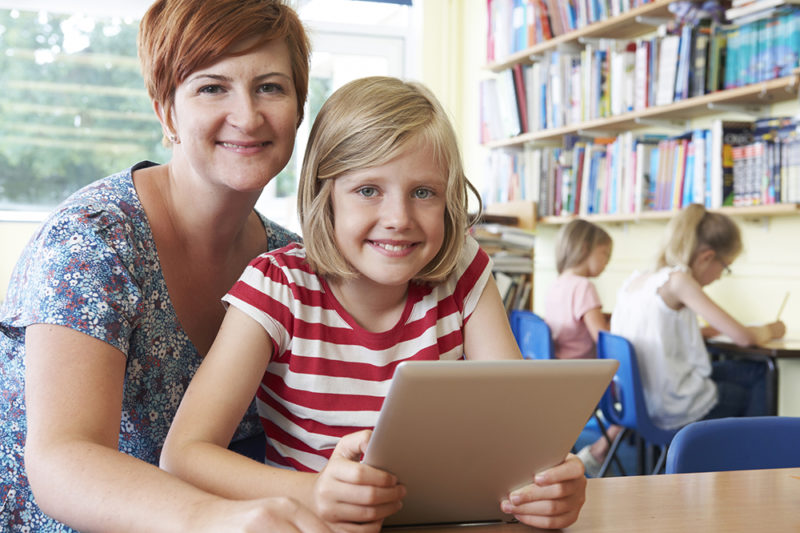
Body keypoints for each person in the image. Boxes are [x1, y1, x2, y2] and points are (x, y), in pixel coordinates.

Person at [161, 76, 588, 533]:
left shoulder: (462, 270)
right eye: (368, 190)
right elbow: (183, 455)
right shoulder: (277, 285)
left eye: (423, 192)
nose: (399, 219)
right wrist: (316, 491)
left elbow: (521, 435)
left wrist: (552, 485)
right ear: (325, 197)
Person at [0, 1, 333, 531]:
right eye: (211, 87)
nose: (247, 116)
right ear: (166, 110)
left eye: (270, 87)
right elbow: (62, 458)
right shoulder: (95, 239)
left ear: (299, 107)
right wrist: (218, 519)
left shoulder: (293, 264)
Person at [610, 203, 786, 430]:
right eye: (725, 267)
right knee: (761, 374)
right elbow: (744, 338)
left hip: (636, 400)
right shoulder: (679, 281)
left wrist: (700, 333)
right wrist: (773, 329)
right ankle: (754, 460)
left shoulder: (637, 280)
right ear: (706, 257)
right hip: (670, 405)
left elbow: (655, 334)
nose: (721, 277)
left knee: (747, 371)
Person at [543, 219, 621, 476]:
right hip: (583, 378)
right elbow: (603, 338)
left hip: (557, 374)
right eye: (605, 254)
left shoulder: (557, 284)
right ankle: (599, 451)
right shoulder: (585, 286)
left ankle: (598, 450)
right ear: (585, 248)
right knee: (645, 392)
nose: (607, 261)